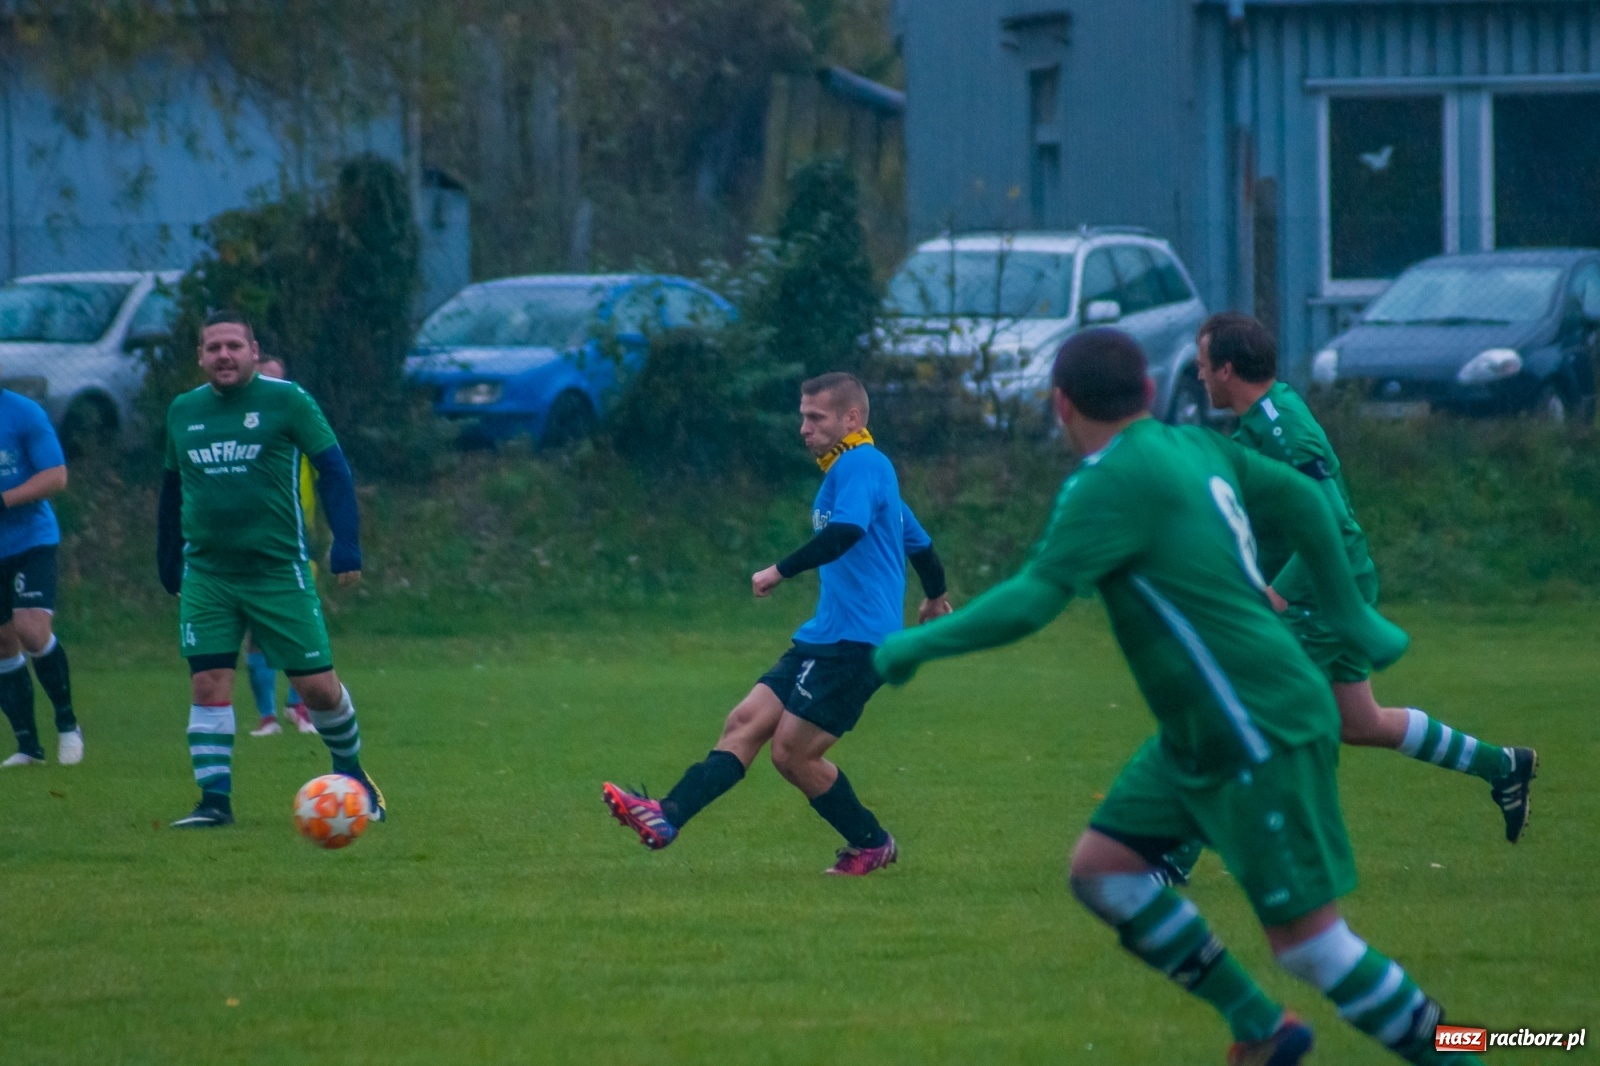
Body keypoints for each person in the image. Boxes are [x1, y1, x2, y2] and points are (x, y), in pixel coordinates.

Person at [873, 330, 1480, 1064]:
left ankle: (1464, 1051)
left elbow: (1033, 598)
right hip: (1199, 732)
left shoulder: (1107, 484)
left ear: (1061, 404)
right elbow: (1306, 495)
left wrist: (915, 646)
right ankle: (1261, 1027)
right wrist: (1353, 613)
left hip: (1258, 724)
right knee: (1104, 870)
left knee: (1313, 947)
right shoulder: (1195, 446)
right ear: (1150, 392)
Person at [1193, 312, 1535, 844]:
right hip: (1337, 586)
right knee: (1360, 723)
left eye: (1202, 365)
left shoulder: (1282, 428)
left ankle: (1174, 856)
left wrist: (1280, 593)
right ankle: (1502, 766)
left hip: (1321, 595)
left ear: (1227, 369)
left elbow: (1328, 521)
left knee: (1241, 710)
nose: (1198, 375)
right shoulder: (1263, 420)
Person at [603, 372, 951, 875]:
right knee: (745, 722)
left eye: (816, 418)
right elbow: (919, 544)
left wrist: (779, 570)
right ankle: (665, 816)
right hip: (825, 635)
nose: (804, 428)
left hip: (859, 644)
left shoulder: (863, 463)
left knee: (792, 754)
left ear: (852, 418)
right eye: (803, 417)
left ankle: (872, 842)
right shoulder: (859, 473)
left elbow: (848, 532)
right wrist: (935, 597)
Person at [157, 311, 383, 828]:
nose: (224, 355)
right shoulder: (183, 411)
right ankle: (214, 803)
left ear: (254, 352)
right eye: (213, 347)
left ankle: (352, 775)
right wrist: (167, 558)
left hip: (278, 571)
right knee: (208, 682)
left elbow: (333, 468)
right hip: (208, 574)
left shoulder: (288, 400)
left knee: (318, 689)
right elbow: (171, 489)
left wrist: (346, 544)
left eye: (234, 345)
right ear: (200, 357)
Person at [0, 379, 80, 767]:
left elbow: (56, 476)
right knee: (2, 643)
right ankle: (28, 747)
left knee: (31, 630)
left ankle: (68, 724)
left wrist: (3, 500)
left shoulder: (23, 412)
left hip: (31, 540)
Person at [245, 355, 315, 738]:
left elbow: (325, 476)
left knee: (299, 625)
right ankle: (267, 717)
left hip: (299, 543)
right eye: (266, 378)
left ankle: (298, 707)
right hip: (254, 544)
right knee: (257, 630)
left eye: (279, 380)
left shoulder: (298, 423)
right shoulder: (242, 431)